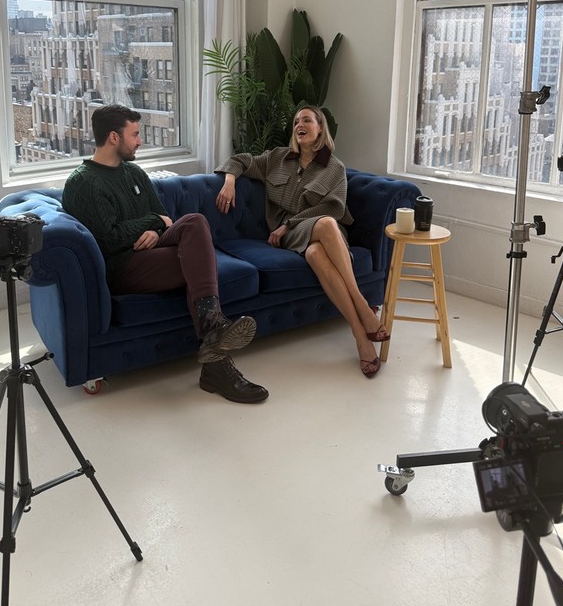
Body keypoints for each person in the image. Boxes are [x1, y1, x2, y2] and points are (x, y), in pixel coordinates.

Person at [62, 104, 268, 404]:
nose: (140, 141)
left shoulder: (134, 173)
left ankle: (212, 327)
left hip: (154, 248)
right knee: (198, 262)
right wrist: (151, 222)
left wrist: (157, 230)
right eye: (135, 134)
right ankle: (216, 358)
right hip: (123, 265)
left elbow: (167, 219)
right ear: (114, 138)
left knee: (194, 222)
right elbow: (110, 238)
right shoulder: (83, 183)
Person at [215, 105, 389, 378]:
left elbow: (333, 208)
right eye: (296, 121)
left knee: (317, 252)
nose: (299, 124)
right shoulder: (277, 158)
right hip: (291, 235)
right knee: (321, 232)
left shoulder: (334, 167)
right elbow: (240, 160)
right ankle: (363, 308)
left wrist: (289, 223)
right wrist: (229, 182)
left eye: (307, 120)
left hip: (323, 232)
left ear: (320, 128)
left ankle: (360, 336)